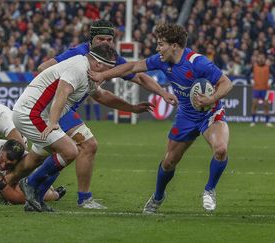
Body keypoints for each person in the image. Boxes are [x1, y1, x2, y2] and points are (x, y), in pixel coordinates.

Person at [27, 19, 177, 209]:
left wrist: (162, 93)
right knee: (87, 145)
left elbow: (135, 77)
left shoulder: (110, 57)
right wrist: (59, 91)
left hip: (64, 110)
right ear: (91, 40)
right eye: (101, 39)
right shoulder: (78, 53)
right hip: (54, 109)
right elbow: (42, 68)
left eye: (109, 39)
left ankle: (24, 189)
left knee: (40, 157)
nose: (105, 43)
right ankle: (76, 197)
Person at [88, 23, 233, 213]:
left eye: (161, 44)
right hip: (186, 116)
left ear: (174, 46)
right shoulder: (161, 60)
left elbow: (226, 83)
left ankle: (209, 190)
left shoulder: (198, 62)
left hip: (209, 113)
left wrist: (211, 98)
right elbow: (131, 67)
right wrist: (102, 75)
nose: (158, 48)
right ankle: (157, 197)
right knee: (169, 161)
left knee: (221, 149)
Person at [12, 44, 154, 212]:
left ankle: (35, 199)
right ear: (99, 64)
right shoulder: (78, 68)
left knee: (60, 154)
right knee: (70, 151)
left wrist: (132, 108)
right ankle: (30, 183)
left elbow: (102, 96)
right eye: (109, 69)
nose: (109, 75)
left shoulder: (88, 72)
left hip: (39, 114)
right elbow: (62, 92)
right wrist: (53, 122)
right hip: (31, 113)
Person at [247, 52, 275, 127]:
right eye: (259, 57)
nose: (261, 59)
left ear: (265, 59)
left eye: (262, 57)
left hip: (265, 89)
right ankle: (253, 121)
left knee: (266, 105)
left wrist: (272, 83)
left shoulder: (268, 67)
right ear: (257, 58)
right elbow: (246, 75)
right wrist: (249, 81)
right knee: (254, 104)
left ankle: (267, 122)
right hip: (256, 88)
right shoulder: (254, 66)